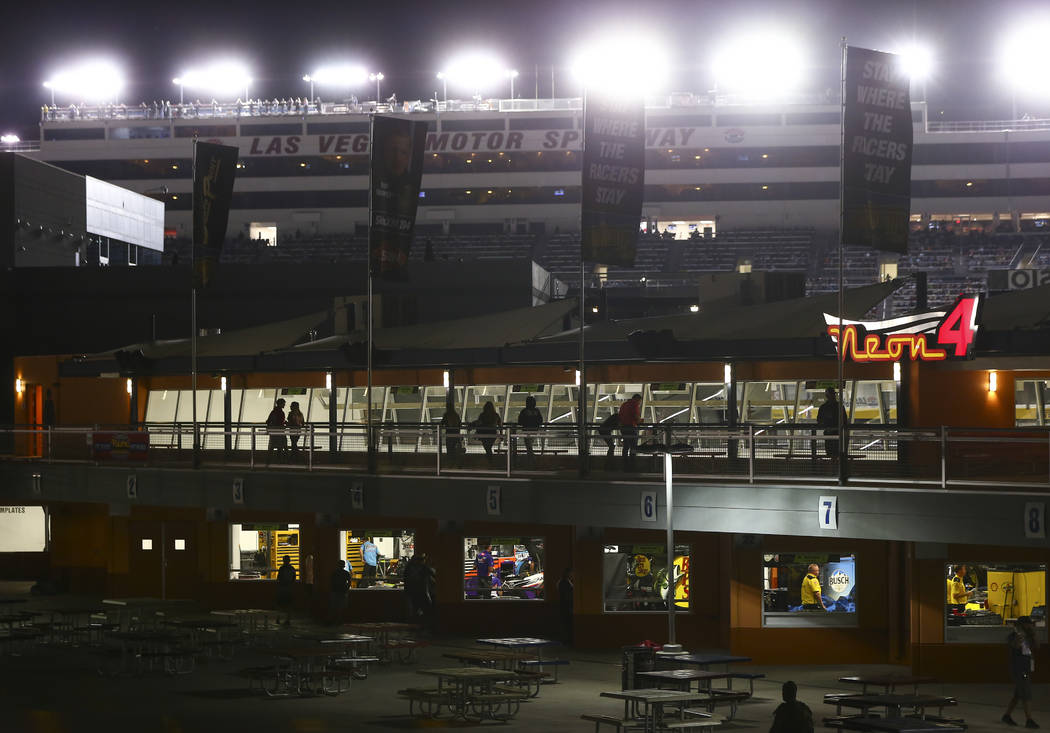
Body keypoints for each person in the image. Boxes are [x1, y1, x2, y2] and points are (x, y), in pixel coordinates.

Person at [1004, 616, 1040, 727]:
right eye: (1028, 624)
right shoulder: (1014, 636)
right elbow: (1014, 646)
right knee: (1026, 694)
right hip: (1019, 669)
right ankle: (1029, 719)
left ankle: (1007, 715)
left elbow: (1037, 646)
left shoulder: (1029, 636)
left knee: (1018, 694)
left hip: (1026, 667)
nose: (1030, 626)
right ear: (1022, 625)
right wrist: (1019, 638)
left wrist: (1033, 634)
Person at [816, 388, 847, 458]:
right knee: (838, 453)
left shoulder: (823, 407)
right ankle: (838, 467)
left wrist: (826, 427)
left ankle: (832, 466)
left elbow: (819, 420)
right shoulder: (839, 407)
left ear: (826, 396)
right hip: (838, 434)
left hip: (828, 434)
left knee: (829, 453)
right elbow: (844, 420)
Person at [618, 394, 643, 471]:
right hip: (631, 428)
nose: (639, 403)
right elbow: (636, 417)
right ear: (637, 399)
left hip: (623, 428)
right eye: (640, 402)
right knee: (633, 447)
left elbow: (619, 416)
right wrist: (640, 420)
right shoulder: (634, 405)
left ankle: (624, 465)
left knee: (626, 446)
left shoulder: (624, 405)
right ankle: (632, 466)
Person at [265, 398, 287, 465]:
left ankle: (269, 460)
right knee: (280, 446)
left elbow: (268, 421)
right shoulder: (281, 412)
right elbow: (280, 422)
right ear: (280, 404)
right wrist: (284, 423)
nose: (284, 405)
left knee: (272, 446)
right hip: (279, 431)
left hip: (273, 431)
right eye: (283, 404)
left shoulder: (273, 411)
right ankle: (279, 460)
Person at [275, 555, 296, 625]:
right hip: (289, 589)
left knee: (280, 605)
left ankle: (278, 618)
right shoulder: (292, 568)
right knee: (289, 605)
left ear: (283, 561)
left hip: (282, 589)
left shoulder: (282, 568)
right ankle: (288, 619)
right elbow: (294, 579)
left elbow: (279, 578)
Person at [558, 567, 574, 645]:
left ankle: (566, 640)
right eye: (571, 573)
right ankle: (566, 640)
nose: (573, 574)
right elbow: (567, 596)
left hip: (565, 606)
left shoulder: (564, 582)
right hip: (566, 606)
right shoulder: (564, 583)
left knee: (566, 623)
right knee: (566, 623)